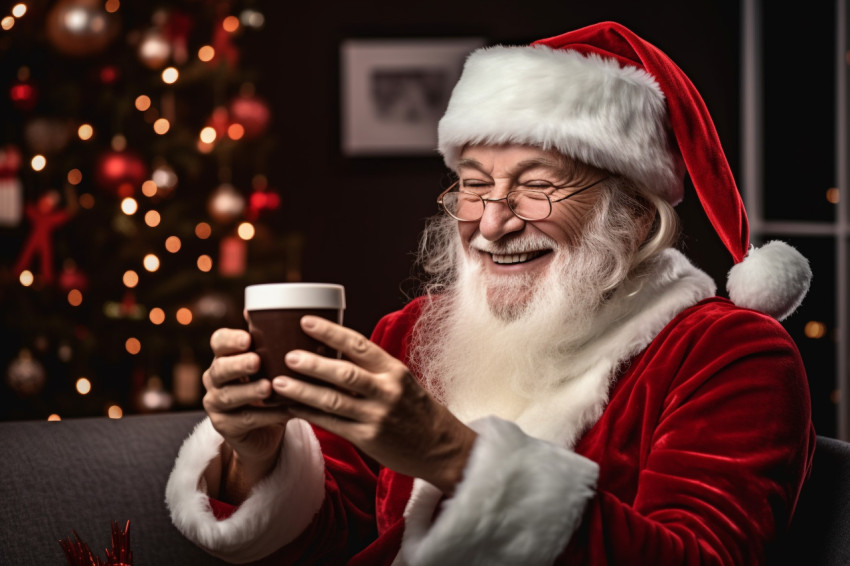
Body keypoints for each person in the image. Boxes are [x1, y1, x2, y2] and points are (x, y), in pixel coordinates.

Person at [166, 21, 815, 565]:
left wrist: (450, 454)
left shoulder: (729, 353)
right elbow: (335, 541)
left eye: (536, 186)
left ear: (635, 215)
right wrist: (257, 456)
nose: (492, 221)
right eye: (473, 185)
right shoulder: (411, 332)